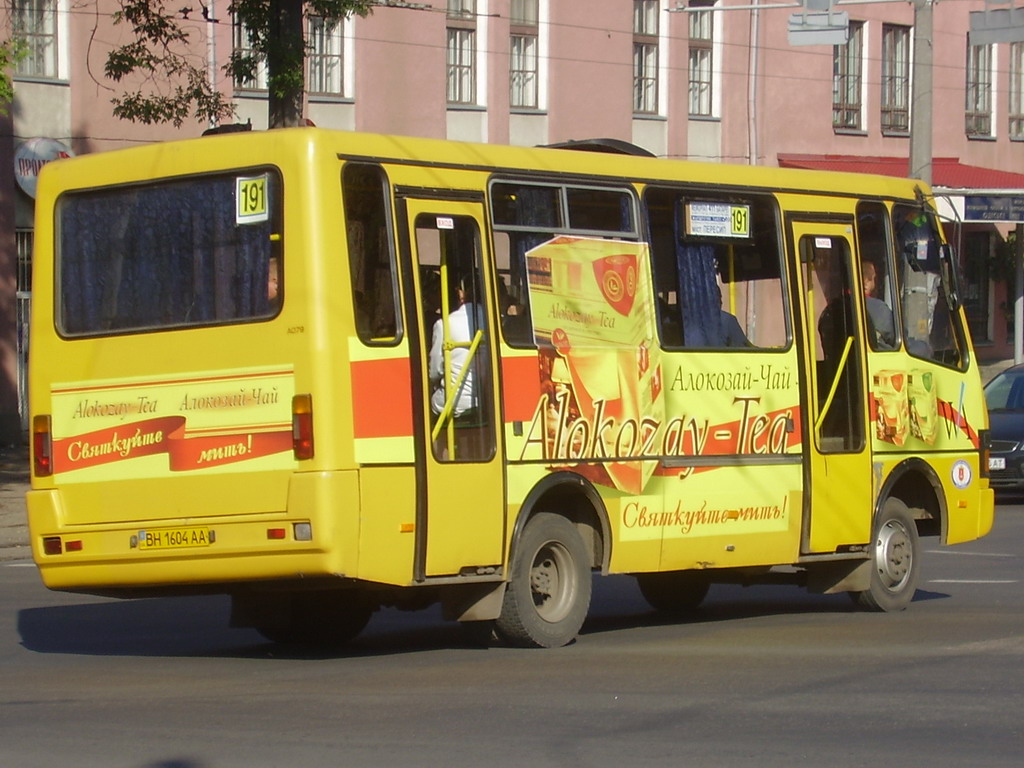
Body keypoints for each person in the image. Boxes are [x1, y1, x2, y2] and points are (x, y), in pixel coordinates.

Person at [429, 275, 483, 418]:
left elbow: (434, 371)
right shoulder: (497, 323)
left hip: (452, 401)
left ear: (461, 293)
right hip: (486, 401)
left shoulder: (444, 324)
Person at [861, 260, 896, 349]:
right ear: (866, 282)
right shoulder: (879, 309)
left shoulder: (834, 308)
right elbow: (895, 337)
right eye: (873, 278)